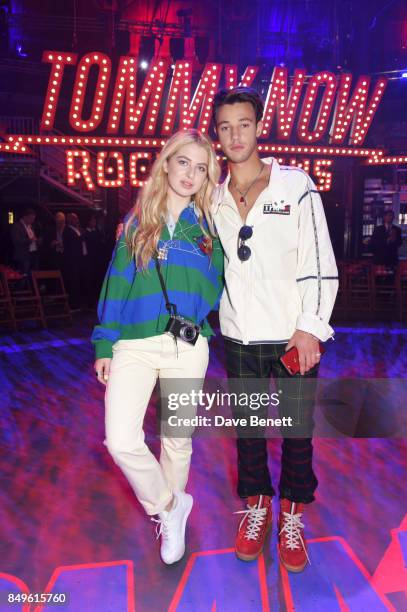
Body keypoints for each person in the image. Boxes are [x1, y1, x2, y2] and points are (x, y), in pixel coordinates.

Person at [211, 87, 338, 572]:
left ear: (259, 126)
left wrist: (310, 329)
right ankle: (258, 509)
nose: (235, 135)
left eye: (243, 124)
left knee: (297, 434)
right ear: (217, 135)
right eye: (225, 127)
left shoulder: (296, 185)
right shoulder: (214, 196)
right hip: (239, 335)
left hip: (292, 337)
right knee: (247, 432)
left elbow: (319, 261)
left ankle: (291, 517)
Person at [92, 129, 223, 565]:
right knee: (120, 439)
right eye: (183, 162)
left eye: (200, 168)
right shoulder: (137, 220)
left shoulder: (208, 226)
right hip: (134, 343)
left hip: (188, 345)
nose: (190, 173)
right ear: (166, 163)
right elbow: (117, 282)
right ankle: (170, 506)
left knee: (177, 440)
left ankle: (172, 526)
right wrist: (105, 342)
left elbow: (215, 283)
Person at [62, 213, 88, 310]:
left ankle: (80, 303)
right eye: (74, 219)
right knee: (73, 282)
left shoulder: (79, 229)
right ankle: (73, 305)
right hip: (72, 260)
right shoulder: (67, 230)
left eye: (77, 218)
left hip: (81, 259)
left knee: (79, 281)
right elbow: (72, 243)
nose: (77, 220)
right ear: (70, 220)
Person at [10, 208, 40, 275]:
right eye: (31, 218)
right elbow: (16, 241)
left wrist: (37, 240)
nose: (33, 220)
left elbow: (33, 238)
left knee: (32, 275)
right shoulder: (17, 226)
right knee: (23, 276)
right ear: (25, 217)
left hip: (33, 254)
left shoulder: (30, 226)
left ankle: (31, 285)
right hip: (23, 256)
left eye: (34, 219)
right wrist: (30, 240)